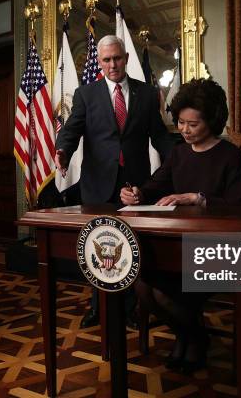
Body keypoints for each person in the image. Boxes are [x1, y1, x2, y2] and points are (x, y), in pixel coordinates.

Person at [120, 78, 241, 373]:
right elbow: (155, 186)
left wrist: (198, 198)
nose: (185, 131)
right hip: (174, 248)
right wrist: (138, 192)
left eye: (193, 124)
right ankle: (189, 335)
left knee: (164, 293)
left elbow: (239, 206)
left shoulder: (231, 156)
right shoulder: (178, 153)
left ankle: (194, 339)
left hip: (215, 250)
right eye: (180, 123)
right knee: (141, 286)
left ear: (212, 121)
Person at [54, 35, 175, 329]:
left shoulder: (147, 94)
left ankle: (133, 308)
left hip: (136, 183)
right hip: (97, 184)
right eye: (106, 60)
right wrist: (63, 151)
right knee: (98, 246)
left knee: (132, 246)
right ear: (99, 62)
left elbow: (158, 134)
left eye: (117, 58)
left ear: (126, 58)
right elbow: (72, 130)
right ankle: (99, 308)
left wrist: (178, 160)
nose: (112, 65)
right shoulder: (87, 94)